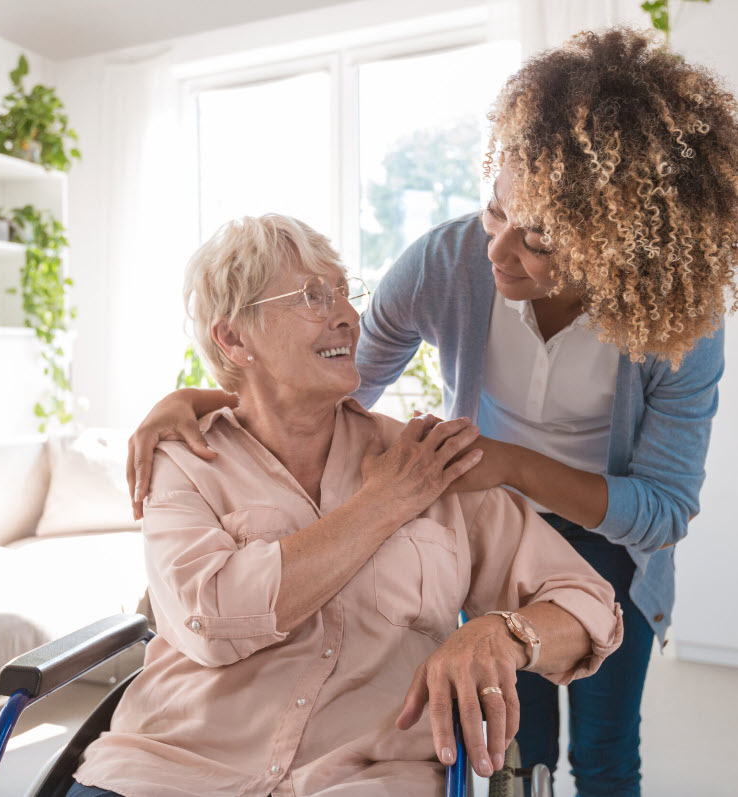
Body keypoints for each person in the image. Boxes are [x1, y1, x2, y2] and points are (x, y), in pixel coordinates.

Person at [126, 28, 738, 797]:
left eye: (539, 238)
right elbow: (336, 387)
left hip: (611, 539)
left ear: (617, 246)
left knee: (607, 749)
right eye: (495, 210)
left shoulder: (678, 329)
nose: (499, 251)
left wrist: (512, 463)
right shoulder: (447, 263)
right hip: (486, 516)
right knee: (514, 751)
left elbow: (664, 511)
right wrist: (203, 396)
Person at [69, 215, 622, 797]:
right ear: (233, 339)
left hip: (365, 779)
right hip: (168, 769)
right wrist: (383, 503)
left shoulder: (428, 460)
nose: (349, 315)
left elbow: (589, 606)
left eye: (344, 291)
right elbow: (215, 620)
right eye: (312, 296)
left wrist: (502, 633)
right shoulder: (182, 459)